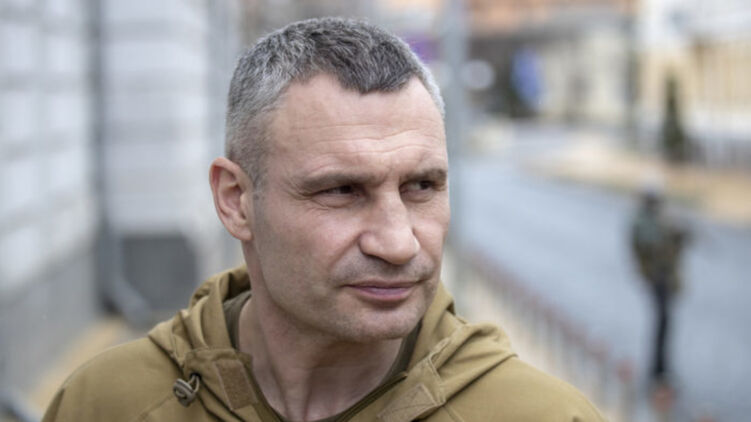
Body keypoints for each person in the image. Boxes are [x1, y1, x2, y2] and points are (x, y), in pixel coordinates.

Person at [43, 18, 604, 421]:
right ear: (236, 201)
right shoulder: (105, 404)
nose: (398, 243)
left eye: (422, 186)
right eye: (341, 191)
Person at [630, 186, 688, 384]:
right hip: (657, 277)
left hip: (664, 277)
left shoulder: (656, 219)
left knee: (665, 322)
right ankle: (657, 368)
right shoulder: (643, 221)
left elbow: (675, 247)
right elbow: (650, 243)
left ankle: (661, 366)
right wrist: (670, 231)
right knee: (662, 321)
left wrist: (679, 233)